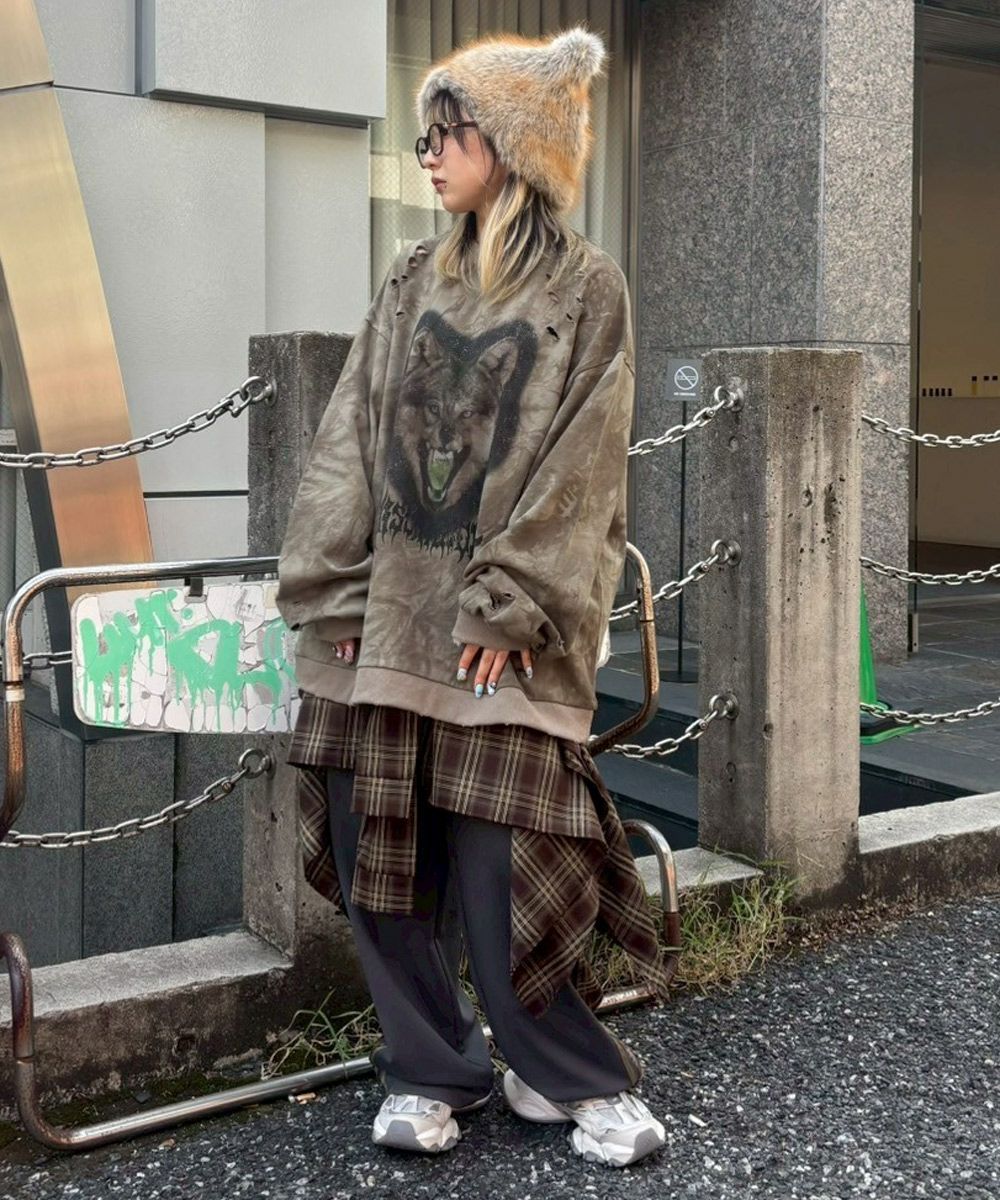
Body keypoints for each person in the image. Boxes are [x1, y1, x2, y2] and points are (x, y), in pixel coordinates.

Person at [275, 25, 670, 1169]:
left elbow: (586, 462)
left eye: (447, 134)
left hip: (506, 632)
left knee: (515, 869)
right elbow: (350, 432)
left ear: (512, 143)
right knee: (378, 856)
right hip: (386, 619)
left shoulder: (587, 285)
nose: (428, 156)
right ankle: (428, 1067)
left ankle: (563, 1073)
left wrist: (511, 600)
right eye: (426, 137)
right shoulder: (412, 276)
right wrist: (331, 584)